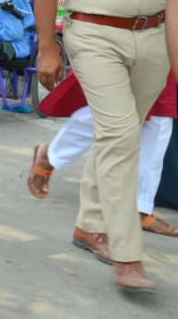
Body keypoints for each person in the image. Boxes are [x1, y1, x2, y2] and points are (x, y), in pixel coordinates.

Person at [35, 0, 176, 295]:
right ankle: (126, 249)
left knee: (120, 136)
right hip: (95, 35)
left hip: (153, 38)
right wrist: (48, 47)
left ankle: (88, 225)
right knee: (121, 135)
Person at [30, 71, 177, 237]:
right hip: (124, 49)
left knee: (162, 115)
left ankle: (141, 207)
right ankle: (52, 154)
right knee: (113, 108)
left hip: (163, 54)